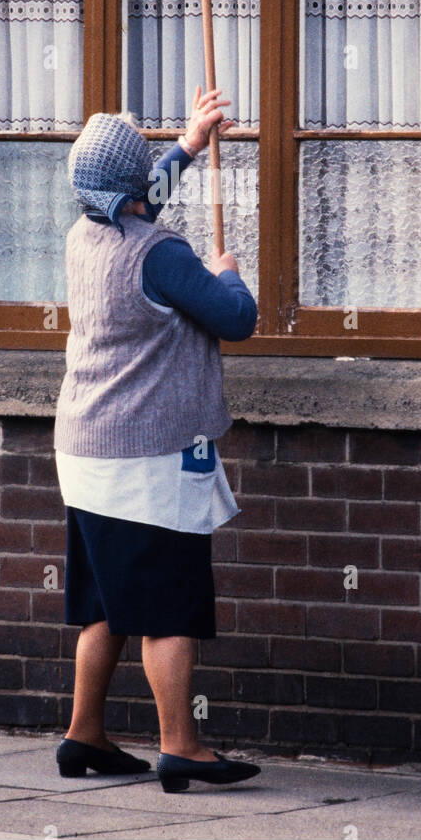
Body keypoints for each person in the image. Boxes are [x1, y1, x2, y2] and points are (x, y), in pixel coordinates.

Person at [53, 86, 261, 793]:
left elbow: (131, 201)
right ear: (133, 185)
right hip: (146, 457)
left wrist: (190, 147)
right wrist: (230, 276)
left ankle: (85, 736)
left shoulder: (84, 236)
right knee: (168, 605)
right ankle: (183, 747)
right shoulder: (163, 253)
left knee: (109, 603)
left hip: (84, 450)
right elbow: (235, 321)